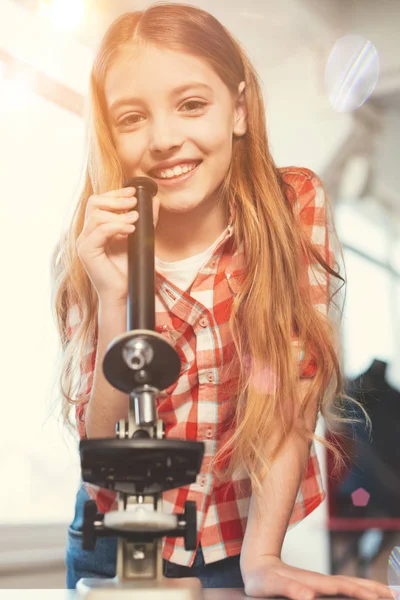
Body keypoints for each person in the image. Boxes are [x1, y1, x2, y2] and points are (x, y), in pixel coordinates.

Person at [51, 3, 392, 598]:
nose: (163, 139)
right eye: (132, 117)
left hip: (237, 540)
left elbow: (290, 386)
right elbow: (100, 448)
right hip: (115, 543)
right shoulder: (97, 239)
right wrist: (114, 302)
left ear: (237, 109)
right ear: (109, 131)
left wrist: (262, 557)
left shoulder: (291, 207)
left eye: (191, 104)